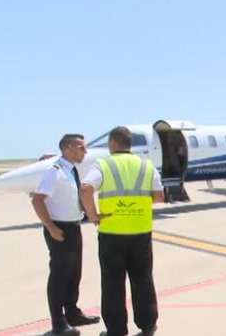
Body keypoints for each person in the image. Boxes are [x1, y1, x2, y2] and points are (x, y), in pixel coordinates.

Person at [80, 126, 165, 336]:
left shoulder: (103, 164)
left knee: (112, 283)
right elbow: (160, 197)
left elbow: (85, 189)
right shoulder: (146, 165)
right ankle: (147, 325)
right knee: (143, 279)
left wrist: (93, 215)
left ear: (112, 143)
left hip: (112, 235)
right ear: (130, 144)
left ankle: (116, 330)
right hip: (141, 233)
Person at [31, 134, 100, 336]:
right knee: (60, 276)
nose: (85, 151)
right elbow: (37, 200)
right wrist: (50, 227)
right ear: (68, 148)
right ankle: (58, 323)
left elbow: (71, 199)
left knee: (73, 274)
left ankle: (72, 313)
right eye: (81, 147)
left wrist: (90, 215)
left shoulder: (71, 171)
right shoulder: (55, 172)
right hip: (59, 229)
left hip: (73, 227)